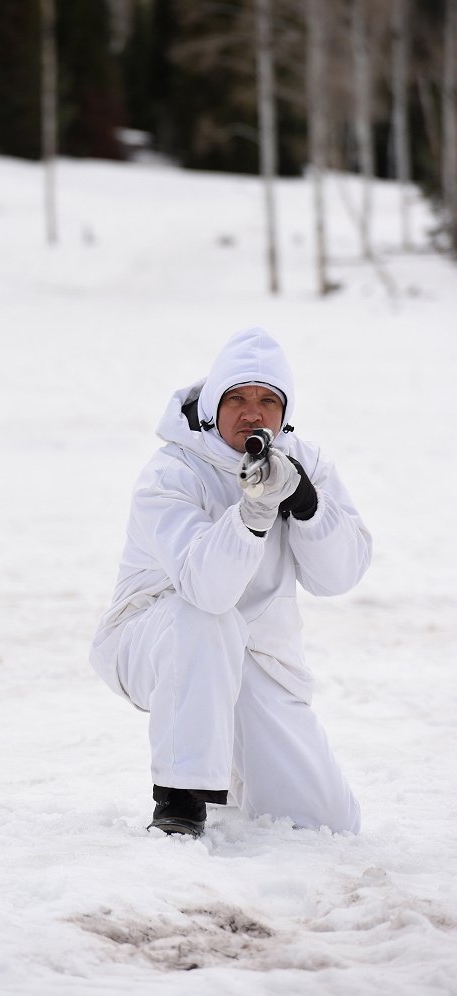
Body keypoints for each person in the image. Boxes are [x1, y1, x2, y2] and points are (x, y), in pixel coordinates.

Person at [90, 327, 372, 838]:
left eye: (268, 400)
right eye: (237, 398)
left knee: (326, 825)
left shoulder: (306, 464)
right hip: (152, 639)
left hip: (258, 659)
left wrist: (307, 506)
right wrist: (253, 514)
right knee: (206, 619)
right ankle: (182, 797)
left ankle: (232, 769)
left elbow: (340, 576)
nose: (253, 413)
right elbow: (207, 589)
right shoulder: (172, 472)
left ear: (284, 412)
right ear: (212, 406)